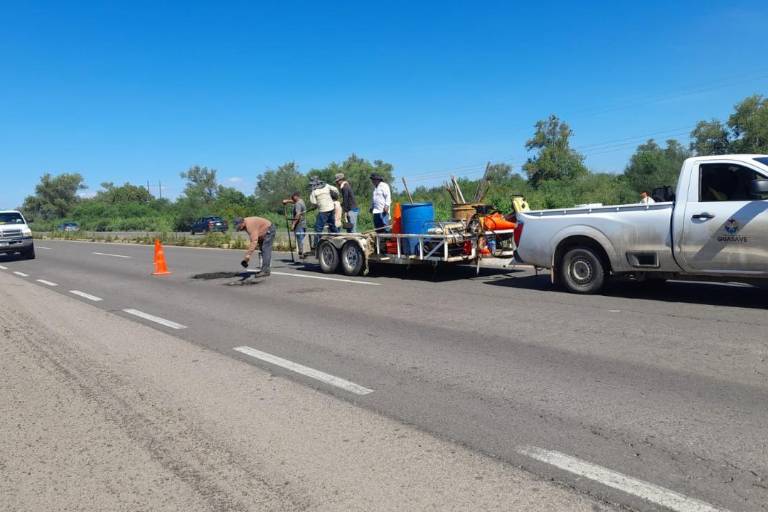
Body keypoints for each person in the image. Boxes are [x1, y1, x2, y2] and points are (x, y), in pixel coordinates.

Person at [308, 177, 339, 245]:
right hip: (331, 208)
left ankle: (317, 244)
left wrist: (314, 207)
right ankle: (338, 237)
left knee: (318, 228)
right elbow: (336, 189)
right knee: (332, 225)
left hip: (323, 210)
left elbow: (314, 203)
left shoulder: (314, 192)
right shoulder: (327, 186)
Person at [282, 191, 307, 258]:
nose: (292, 199)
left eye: (293, 198)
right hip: (303, 223)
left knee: (299, 238)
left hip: (299, 224)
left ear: (296, 196)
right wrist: (287, 201)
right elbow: (294, 202)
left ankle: (302, 253)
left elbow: (297, 215)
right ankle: (304, 252)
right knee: (302, 238)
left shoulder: (298, 204)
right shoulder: (301, 201)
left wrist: (293, 224)